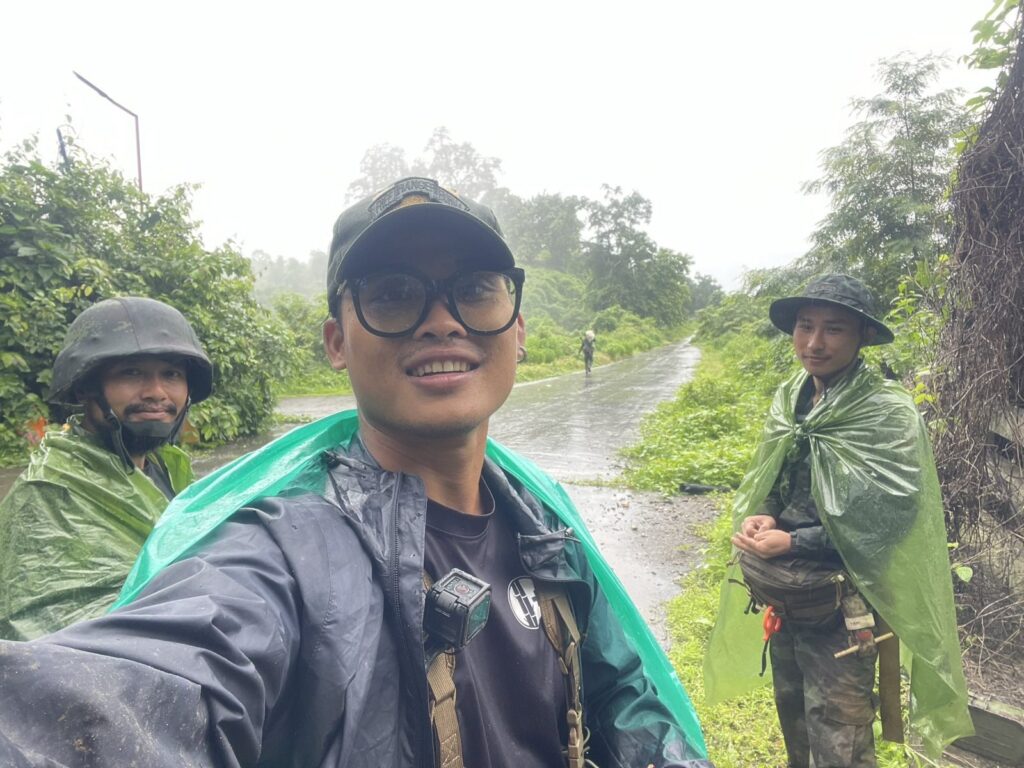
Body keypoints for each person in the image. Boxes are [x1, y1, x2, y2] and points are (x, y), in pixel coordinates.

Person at [0, 177, 712, 768]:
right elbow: (137, 690)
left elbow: (628, 698)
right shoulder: (286, 553)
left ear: (519, 330)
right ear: (337, 342)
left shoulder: (543, 522)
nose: (441, 321)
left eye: (477, 288)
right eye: (394, 293)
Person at [703, 275, 973, 767]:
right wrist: (763, 516)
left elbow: (892, 519)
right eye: (805, 326)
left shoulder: (886, 413)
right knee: (795, 715)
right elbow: (777, 481)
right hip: (788, 595)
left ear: (862, 337)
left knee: (840, 732)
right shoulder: (793, 398)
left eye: (833, 329)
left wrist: (795, 541)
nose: (813, 342)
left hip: (844, 605)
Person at [0, 296, 212, 641]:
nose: (157, 392)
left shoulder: (169, 469)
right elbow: (44, 633)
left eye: (171, 374)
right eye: (132, 373)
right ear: (87, 388)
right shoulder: (48, 493)